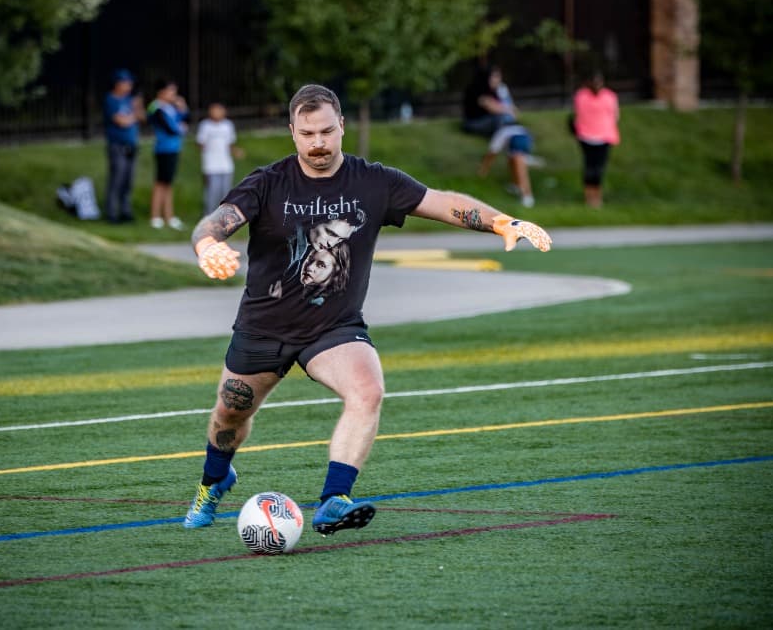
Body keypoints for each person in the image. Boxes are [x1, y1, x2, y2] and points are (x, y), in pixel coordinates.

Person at [183, 84, 552, 536]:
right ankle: (214, 480)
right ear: (292, 133)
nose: (317, 143)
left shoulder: (374, 181)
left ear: (341, 126)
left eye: (325, 131)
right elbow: (217, 221)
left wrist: (502, 222)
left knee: (367, 390)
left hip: (332, 327)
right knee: (230, 414)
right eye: (306, 134)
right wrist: (206, 244)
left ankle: (334, 499)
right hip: (263, 326)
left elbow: (441, 202)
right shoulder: (268, 182)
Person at [461, 62, 537, 208]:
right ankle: (522, 190)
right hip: (515, 133)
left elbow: (492, 153)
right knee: (515, 159)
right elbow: (499, 108)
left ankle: (526, 194)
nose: (497, 79)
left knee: (516, 160)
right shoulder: (478, 90)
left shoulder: (501, 134)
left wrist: (483, 170)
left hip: (514, 136)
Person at [147, 79, 190, 230]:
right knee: (160, 182)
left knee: (168, 183)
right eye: (171, 91)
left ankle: (169, 216)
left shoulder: (170, 108)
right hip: (163, 149)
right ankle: (155, 216)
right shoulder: (156, 107)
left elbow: (184, 121)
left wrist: (183, 108)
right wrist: (181, 128)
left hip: (173, 148)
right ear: (161, 92)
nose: (174, 95)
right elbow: (172, 128)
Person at [573, 71, 620, 208]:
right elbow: (615, 116)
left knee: (595, 168)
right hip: (589, 136)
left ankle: (594, 198)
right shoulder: (584, 96)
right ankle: (592, 198)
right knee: (592, 168)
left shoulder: (584, 95)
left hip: (602, 136)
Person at [103, 69, 145, 224]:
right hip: (117, 146)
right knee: (117, 179)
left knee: (128, 181)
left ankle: (126, 212)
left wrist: (137, 107)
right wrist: (133, 115)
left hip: (131, 145)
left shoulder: (130, 99)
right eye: (126, 82)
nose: (129, 85)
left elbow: (141, 117)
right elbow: (121, 121)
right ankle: (112, 213)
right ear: (118, 83)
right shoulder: (111, 99)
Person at [196, 102, 243, 216]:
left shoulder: (228, 125)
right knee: (212, 193)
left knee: (225, 192)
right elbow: (200, 143)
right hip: (211, 166)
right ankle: (209, 216)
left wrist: (235, 151)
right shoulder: (205, 126)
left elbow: (230, 143)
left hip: (226, 165)